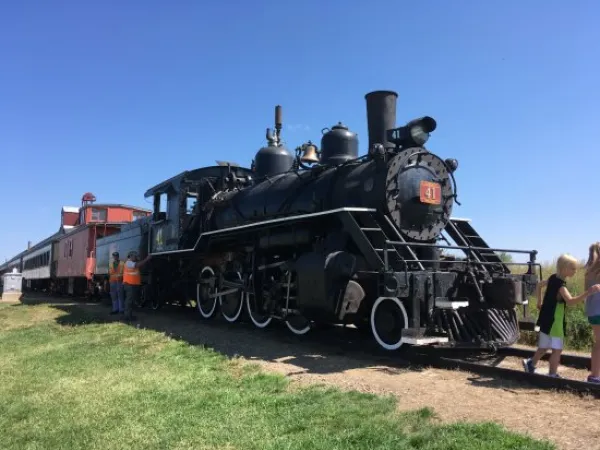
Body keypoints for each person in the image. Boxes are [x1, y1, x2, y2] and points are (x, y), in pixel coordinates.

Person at [522, 253, 600, 377]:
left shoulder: (552, 278)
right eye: (573, 268)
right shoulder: (561, 286)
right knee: (557, 349)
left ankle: (531, 363)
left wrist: (539, 302)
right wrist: (588, 292)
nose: (575, 271)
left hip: (545, 318)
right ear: (564, 268)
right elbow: (570, 301)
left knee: (543, 346)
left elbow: (539, 285)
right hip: (555, 320)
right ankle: (552, 374)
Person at [584, 242, 600, 384]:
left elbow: (587, 292)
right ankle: (595, 376)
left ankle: (595, 374)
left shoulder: (589, 270)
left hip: (592, 311)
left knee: (598, 342)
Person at [122, 250, 152, 322]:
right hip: (129, 285)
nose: (136, 258)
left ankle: (129, 315)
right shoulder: (128, 263)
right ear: (131, 256)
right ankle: (127, 317)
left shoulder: (131, 262)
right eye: (135, 256)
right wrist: (147, 259)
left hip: (132, 285)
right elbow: (137, 265)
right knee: (129, 301)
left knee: (131, 301)